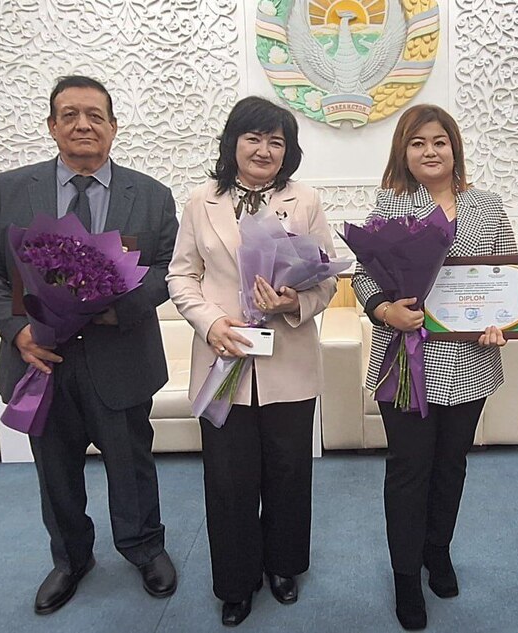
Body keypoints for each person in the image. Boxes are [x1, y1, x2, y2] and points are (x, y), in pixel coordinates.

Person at [0, 75, 179, 614]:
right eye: (70, 115)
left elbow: (168, 271)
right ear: (52, 126)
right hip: (41, 362)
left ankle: (144, 547)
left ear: (113, 127)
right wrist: (17, 329)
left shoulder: (151, 195)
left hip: (120, 356)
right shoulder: (11, 189)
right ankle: (70, 558)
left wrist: (115, 307)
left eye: (95, 115)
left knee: (131, 464)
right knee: (54, 471)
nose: (83, 125)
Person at [166, 96, 337, 628]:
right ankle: (236, 582)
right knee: (228, 479)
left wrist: (293, 302)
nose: (264, 150)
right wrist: (210, 322)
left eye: (276, 142)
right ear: (233, 143)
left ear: (288, 151)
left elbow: (328, 279)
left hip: (288, 360)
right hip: (223, 356)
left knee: (289, 472)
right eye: (253, 138)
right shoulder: (201, 200)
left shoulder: (305, 201)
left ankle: (284, 566)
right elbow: (181, 275)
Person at [351, 104, 517, 631]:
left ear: (454, 148)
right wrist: (385, 310)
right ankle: (405, 576)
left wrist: (503, 321)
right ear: (403, 152)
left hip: (470, 361)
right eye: (417, 142)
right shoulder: (391, 204)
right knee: (409, 470)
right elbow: (363, 276)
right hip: (405, 360)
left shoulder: (487, 206)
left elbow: (506, 276)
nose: (430, 151)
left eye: (439, 141)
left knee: (451, 465)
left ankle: (437, 551)